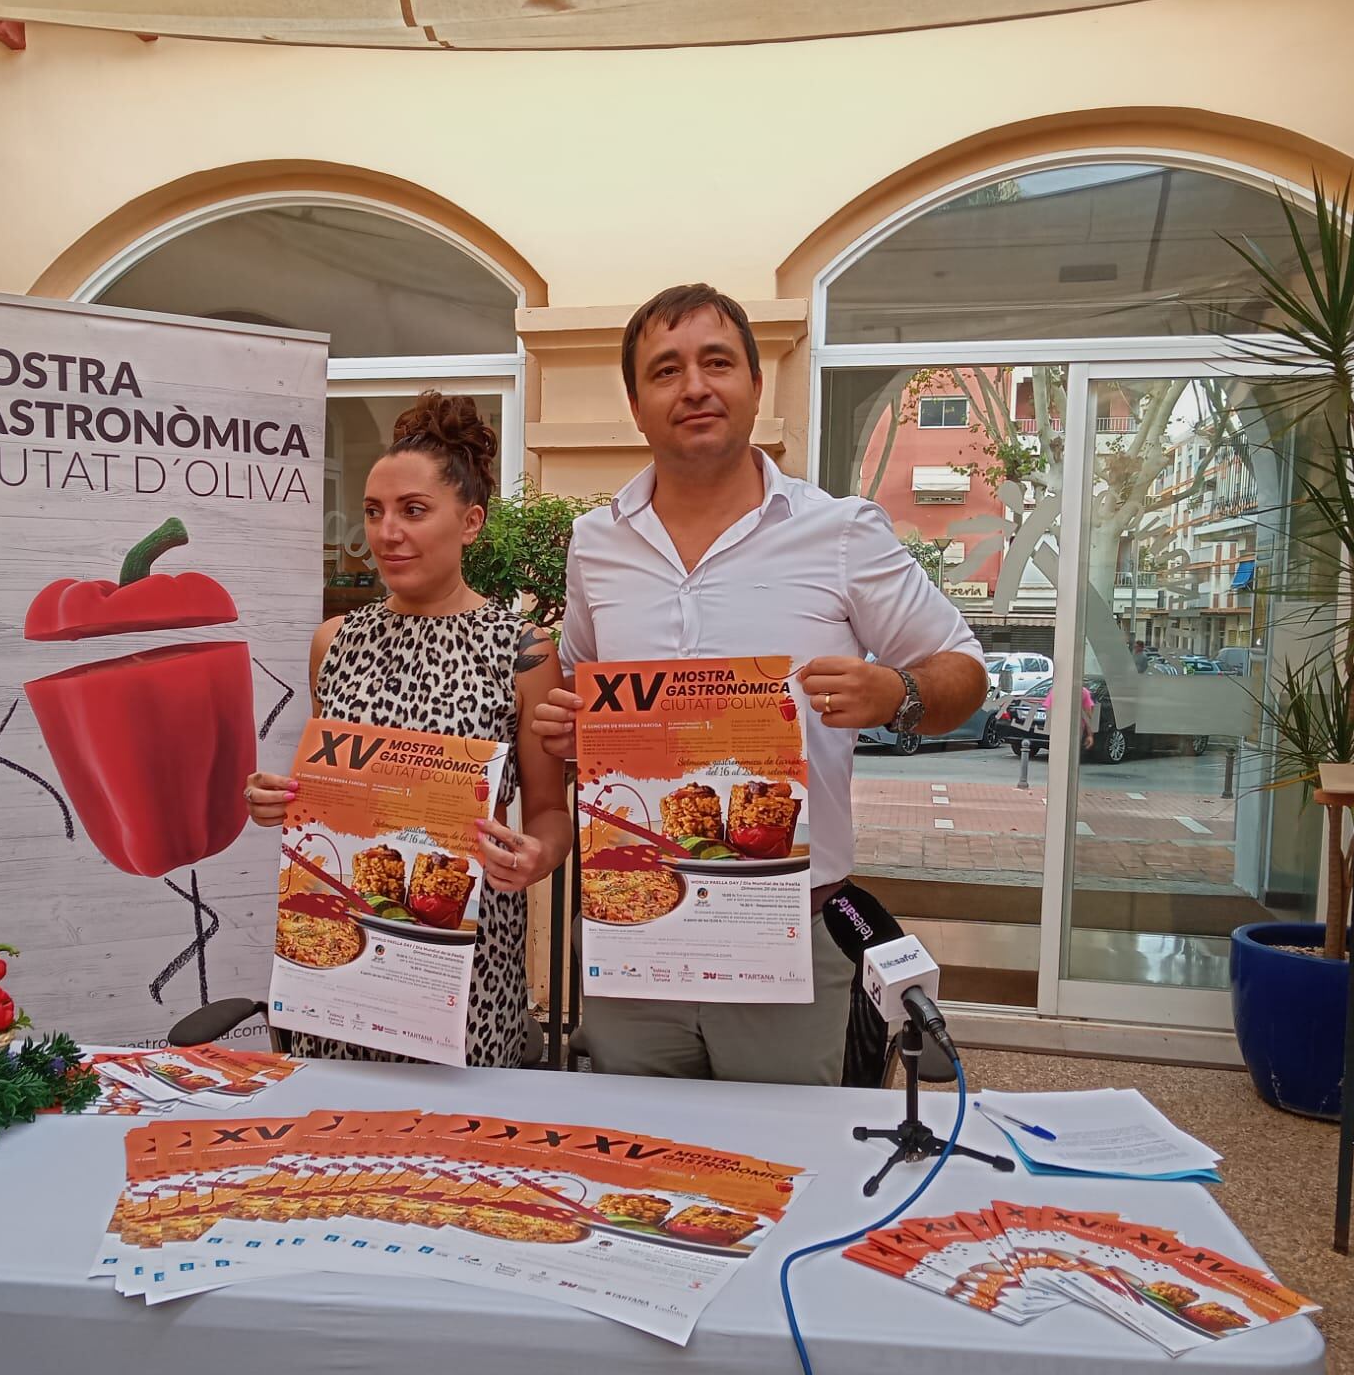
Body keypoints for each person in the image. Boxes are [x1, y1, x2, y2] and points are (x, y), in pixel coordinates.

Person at [535, 283, 987, 1086]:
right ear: (637, 405)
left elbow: (964, 671)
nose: (696, 387)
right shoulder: (595, 542)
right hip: (634, 926)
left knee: (789, 1172)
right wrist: (573, 731)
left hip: (786, 926)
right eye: (666, 370)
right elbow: (579, 688)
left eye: (717, 362)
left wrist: (897, 694)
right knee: (637, 1163)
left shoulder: (840, 533)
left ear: (755, 385)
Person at [245, 391, 573, 1067]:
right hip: (342, 954)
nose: (387, 532)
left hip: (463, 968)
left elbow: (549, 813)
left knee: (462, 1157)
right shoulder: (333, 642)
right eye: (374, 512)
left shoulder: (524, 650)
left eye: (413, 511)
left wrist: (536, 857)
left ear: (471, 521)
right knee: (338, 1148)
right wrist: (277, 801)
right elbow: (330, 796)